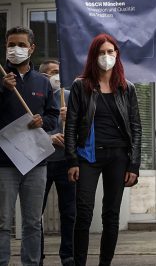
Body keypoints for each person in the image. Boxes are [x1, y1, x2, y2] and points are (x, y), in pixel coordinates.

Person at [64, 33, 141, 266]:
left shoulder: (127, 88)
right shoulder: (81, 86)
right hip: (88, 156)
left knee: (111, 215)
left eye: (110, 52)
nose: (106, 56)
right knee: (84, 213)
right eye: (101, 52)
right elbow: (72, 126)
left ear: (117, 54)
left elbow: (137, 128)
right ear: (93, 56)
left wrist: (134, 164)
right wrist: (72, 160)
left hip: (118, 157)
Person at [0, 26, 59, 266]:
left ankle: (32, 263)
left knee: (33, 222)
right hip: (4, 162)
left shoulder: (43, 83)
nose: (16, 49)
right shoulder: (1, 80)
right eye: (11, 44)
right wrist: (2, 90)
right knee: (3, 221)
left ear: (32, 48)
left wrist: (42, 121)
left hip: (36, 162)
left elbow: (54, 116)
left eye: (22, 45)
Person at [39, 59, 76, 266]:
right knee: (36, 214)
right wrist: (49, 138)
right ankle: (38, 255)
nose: (58, 76)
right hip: (41, 162)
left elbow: (84, 126)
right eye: (53, 72)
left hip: (66, 162)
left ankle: (68, 255)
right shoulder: (37, 97)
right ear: (44, 76)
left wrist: (70, 118)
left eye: (60, 72)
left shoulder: (69, 96)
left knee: (69, 212)